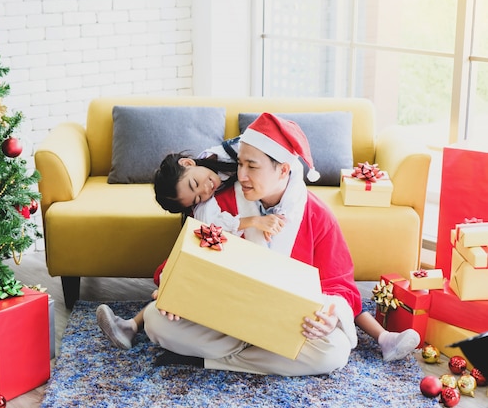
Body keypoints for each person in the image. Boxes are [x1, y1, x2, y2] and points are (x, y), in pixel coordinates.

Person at [97, 115, 419, 366]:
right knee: (155, 320)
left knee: (334, 352)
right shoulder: (219, 204)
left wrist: (331, 313)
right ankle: (260, 358)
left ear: (283, 171)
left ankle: (211, 361)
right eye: (240, 164)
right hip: (226, 318)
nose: (242, 175)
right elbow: (186, 254)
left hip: (283, 328)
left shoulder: (317, 216)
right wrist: (173, 282)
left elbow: (341, 285)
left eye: (252, 166)